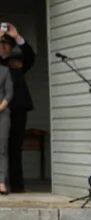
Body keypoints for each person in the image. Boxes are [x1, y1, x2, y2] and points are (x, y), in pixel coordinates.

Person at [0, 24, 34, 193]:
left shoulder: (18, 61)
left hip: (18, 106)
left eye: (7, 43)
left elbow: (30, 56)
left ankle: (17, 185)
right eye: (1, 43)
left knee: (15, 146)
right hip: (1, 107)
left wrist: (17, 36)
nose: (4, 45)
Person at [0, 62, 10, 194]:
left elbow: (9, 92)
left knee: (1, 148)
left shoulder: (4, 70)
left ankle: (1, 181)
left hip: (2, 115)